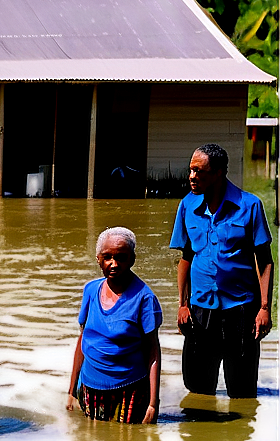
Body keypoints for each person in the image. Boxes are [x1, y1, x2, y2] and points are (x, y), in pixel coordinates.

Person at [169, 143, 274, 398]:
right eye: (190, 170)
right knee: (197, 386)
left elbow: (266, 261)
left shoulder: (250, 206)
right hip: (200, 308)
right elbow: (185, 257)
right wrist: (182, 305)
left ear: (218, 172)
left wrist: (264, 309)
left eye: (199, 171)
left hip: (241, 309)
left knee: (242, 388)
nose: (192, 176)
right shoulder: (187, 206)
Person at [66, 227, 162, 424]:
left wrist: (153, 403)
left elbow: (153, 350)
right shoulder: (91, 290)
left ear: (132, 260)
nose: (114, 264)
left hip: (130, 389)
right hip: (90, 388)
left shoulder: (144, 298)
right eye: (107, 257)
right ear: (98, 259)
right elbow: (84, 339)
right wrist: (72, 391)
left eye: (121, 257)